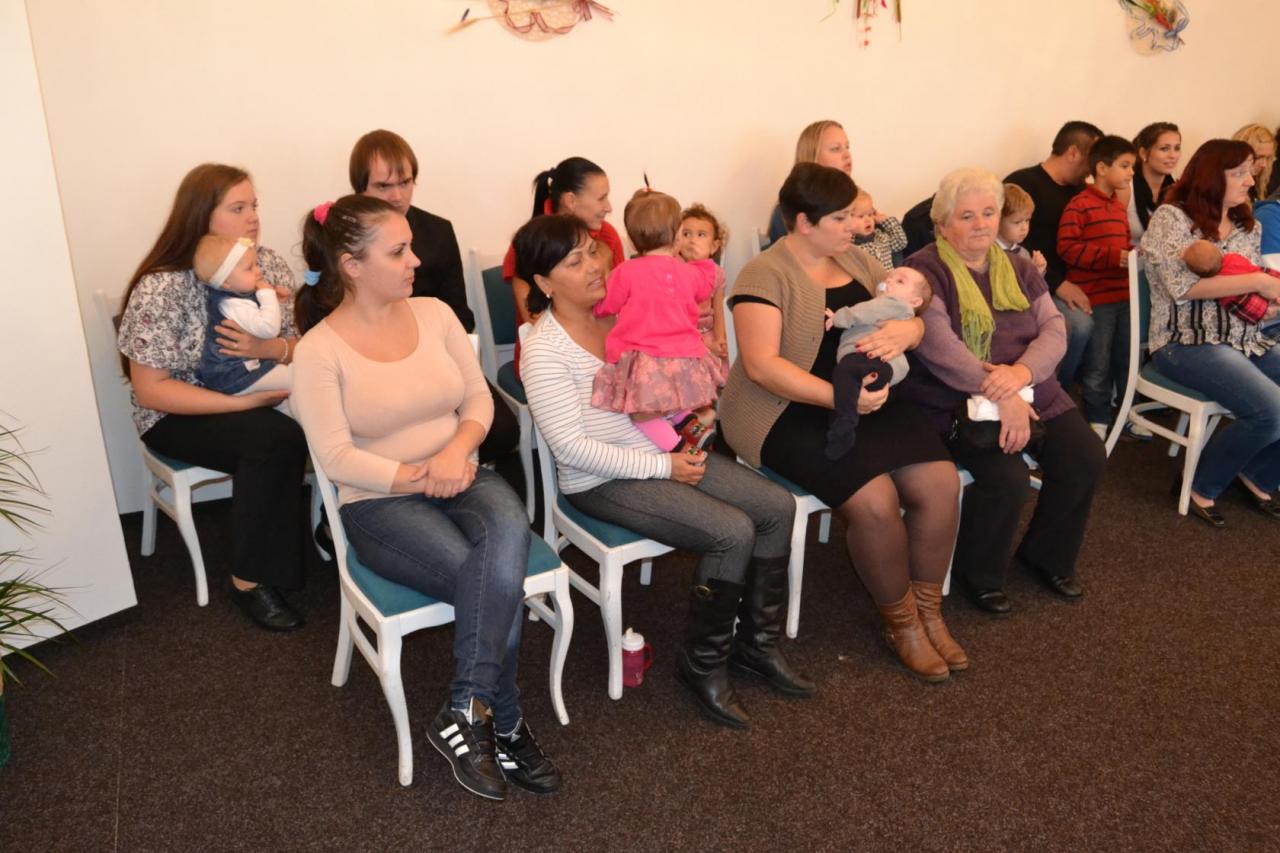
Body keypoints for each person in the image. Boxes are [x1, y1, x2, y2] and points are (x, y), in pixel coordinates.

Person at [291, 195, 560, 800]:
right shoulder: (318, 351)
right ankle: (504, 722)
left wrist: (456, 453)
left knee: (508, 533)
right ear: (352, 265)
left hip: (460, 471)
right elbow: (335, 458)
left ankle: (466, 708)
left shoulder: (436, 314)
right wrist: (421, 475)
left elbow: (480, 400)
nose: (416, 260)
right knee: (489, 578)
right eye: (398, 251)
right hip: (379, 501)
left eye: (410, 246)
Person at [517, 214, 812, 730]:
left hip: (663, 450)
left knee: (776, 506)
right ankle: (703, 664)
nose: (595, 266)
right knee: (731, 531)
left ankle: (756, 645)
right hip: (602, 480)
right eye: (574, 261)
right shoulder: (544, 351)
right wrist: (664, 466)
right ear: (544, 282)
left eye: (593, 251)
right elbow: (571, 448)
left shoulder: (623, 312)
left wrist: (690, 412)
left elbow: (662, 380)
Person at [721, 162, 967, 683]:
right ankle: (902, 625)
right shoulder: (763, 275)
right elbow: (762, 367)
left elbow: (911, 307)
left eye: (854, 215)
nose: (855, 226)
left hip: (862, 396)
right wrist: (842, 399)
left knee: (940, 482)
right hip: (785, 410)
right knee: (875, 502)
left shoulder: (855, 257)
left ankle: (929, 612)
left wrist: (912, 332)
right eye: (841, 218)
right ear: (804, 222)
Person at [899, 167, 1106, 616]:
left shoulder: (1019, 266)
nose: (981, 225)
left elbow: (1054, 328)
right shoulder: (923, 271)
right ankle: (978, 573)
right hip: (955, 398)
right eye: (967, 216)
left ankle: (1045, 556)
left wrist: (1022, 375)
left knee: (1086, 456)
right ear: (942, 224)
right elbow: (941, 349)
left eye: (989, 213)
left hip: (1027, 384)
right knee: (1007, 478)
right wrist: (1004, 393)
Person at [116, 163, 306, 632]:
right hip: (177, 411)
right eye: (238, 208)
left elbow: (302, 345)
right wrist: (240, 405)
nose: (253, 217)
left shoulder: (268, 265)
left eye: (254, 205)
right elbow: (151, 390)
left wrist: (273, 349)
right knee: (272, 437)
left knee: (330, 407)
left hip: (255, 388)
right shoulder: (164, 284)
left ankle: (334, 533)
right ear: (202, 216)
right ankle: (247, 580)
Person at [349, 129, 519, 465]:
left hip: (436, 354)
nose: (397, 195)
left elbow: (461, 314)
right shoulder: (344, 236)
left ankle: (455, 475)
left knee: (501, 431)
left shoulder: (437, 231)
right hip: (373, 364)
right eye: (383, 186)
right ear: (360, 188)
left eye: (405, 182)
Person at [1140, 139, 1280, 527]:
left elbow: (1250, 288)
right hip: (1184, 341)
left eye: (1251, 172)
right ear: (1211, 176)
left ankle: (1257, 474)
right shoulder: (1171, 218)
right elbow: (1182, 288)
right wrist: (1258, 282)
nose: (1250, 181)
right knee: (1271, 410)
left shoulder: (1247, 225)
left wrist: (1267, 301)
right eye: (1240, 173)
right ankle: (1199, 486)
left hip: (1245, 337)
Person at [591, 190, 722, 451]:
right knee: (670, 396)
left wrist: (594, 306)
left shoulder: (625, 272)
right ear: (677, 236)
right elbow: (707, 287)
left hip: (646, 360)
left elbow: (606, 307)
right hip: (684, 359)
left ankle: (678, 447)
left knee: (641, 413)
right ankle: (688, 422)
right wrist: (703, 260)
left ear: (631, 241)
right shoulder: (688, 272)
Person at [1006, 120, 1104, 387]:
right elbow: (1014, 247)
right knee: (1079, 326)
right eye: (1092, 159)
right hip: (1036, 281)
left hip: (1075, 279)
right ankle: (1055, 390)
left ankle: (1080, 392)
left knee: (1110, 315)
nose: (1094, 169)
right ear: (1073, 152)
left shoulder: (1081, 191)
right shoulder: (1023, 183)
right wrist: (1058, 284)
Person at [1056, 135, 1139, 438]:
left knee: (1126, 358)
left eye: (1132, 166)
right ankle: (1098, 417)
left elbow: (1124, 246)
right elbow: (1067, 248)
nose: (1131, 173)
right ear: (1102, 168)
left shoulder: (1118, 207)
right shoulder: (1079, 205)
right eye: (1125, 166)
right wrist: (1111, 257)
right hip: (1097, 299)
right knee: (1098, 362)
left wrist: (1134, 255)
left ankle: (1126, 412)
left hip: (1124, 296)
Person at [824, 267, 932, 459]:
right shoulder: (899, 311)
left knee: (844, 374)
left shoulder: (891, 304)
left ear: (915, 302)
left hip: (868, 356)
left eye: (900, 281)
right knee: (850, 386)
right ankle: (843, 422)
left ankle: (844, 423)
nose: (889, 280)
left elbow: (865, 312)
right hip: (886, 366)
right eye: (889, 277)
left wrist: (838, 317)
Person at [192, 235, 292, 400]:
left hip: (240, 371)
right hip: (233, 375)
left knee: (289, 396)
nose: (258, 271)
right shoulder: (232, 304)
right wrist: (267, 295)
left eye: (256, 264)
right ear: (226, 282)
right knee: (296, 378)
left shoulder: (237, 295)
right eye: (249, 268)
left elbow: (255, 320)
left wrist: (277, 302)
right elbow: (269, 329)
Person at [767, 120, 853, 243]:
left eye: (847, 147)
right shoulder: (788, 212)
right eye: (835, 149)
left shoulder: (857, 199)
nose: (847, 155)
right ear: (813, 157)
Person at [675, 203, 730, 385]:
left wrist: (720, 339)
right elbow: (677, 318)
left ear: (714, 246)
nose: (692, 240)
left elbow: (719, 311)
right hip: (682, 334)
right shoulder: (674, 270)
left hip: (708, 331)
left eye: (701, 235)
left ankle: (715, 394)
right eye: (686, 234)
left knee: (726, 359)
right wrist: (705, 345)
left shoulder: (717, 273)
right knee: (692, 363)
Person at [1182, 240, 1280, 324]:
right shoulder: (1232, 257)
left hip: (1247, 302)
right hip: (1267, 278)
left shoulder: (1215, 284)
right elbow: (1246, 263)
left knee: (1259, 309)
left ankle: (1269, 308)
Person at [1119, 122, 1181, 241]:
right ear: (1143, 153)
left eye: (1177, 148)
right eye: (1164, 149)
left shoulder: (1177, 190)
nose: (1173, 155)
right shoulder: (1126, 188)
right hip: (1129, 252)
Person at [849, 188, 908, 271]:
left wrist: (886, 221)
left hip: (889, 278)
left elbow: (901, 242)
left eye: (870, 214)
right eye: (861, 216)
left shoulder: (881, 237)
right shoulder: (850, 246)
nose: (868, 220)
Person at [996, 184, 1048, 276]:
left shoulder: (1023, 254)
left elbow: (1030, 285)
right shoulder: (988, 254)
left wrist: (1037, 272)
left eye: (1027, 220)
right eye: (1017, 222)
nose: (1024, 228)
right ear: (997, 221)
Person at [1233, 124, 1276, 202]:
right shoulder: (1223, 187)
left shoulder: (1261, 182)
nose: (1264, 165)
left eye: (1268, 158)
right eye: (1258, 157)